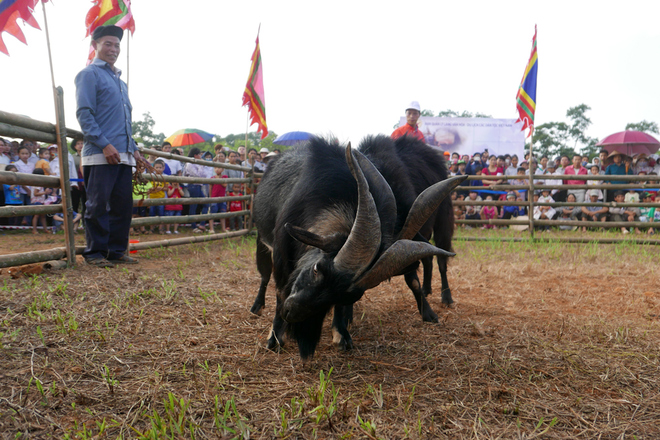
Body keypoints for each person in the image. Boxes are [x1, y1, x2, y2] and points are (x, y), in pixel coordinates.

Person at [75, 25, 140, 267]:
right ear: (95, 46)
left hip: (124, 154)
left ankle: (115, 251)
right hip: (100, 153)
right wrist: (104, 144)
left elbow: (125, 122)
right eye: (108, 44)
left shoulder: (121, 82)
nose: (113, 49)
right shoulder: (88, 74)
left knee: (123, 205)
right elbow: (84, 114)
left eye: (117, 45)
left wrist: (133, 147)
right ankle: (94, 253)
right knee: (97, 205)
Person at [182, 147, 209, 233]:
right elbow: (197, 175)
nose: (201, 156)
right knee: (194, 206)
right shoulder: (189, 164)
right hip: (193, 185)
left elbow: (204, 175)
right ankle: (194, 226)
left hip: (198, 185)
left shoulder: (198, 163)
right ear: (195, 155)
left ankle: (202, 224)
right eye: (199, 154)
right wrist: (201, 166)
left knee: (205, 204)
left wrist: (201, 166)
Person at [147, 160, 167, 234]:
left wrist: (159, 188)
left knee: (161, 214)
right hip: (152, 198)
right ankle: (151, 229)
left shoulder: (165, 177)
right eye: (157, 167)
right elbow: (149, 188)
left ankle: (160, 229)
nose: (158, 169)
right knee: (151, 214)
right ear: (153, 168)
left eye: (160, 167)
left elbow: (166, 188)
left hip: (161, 198)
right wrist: (156, 188)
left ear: (163, 168)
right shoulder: (151, 177)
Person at [208, 165, 228, 233]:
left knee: (222, 214)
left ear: (222, 169)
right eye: (215, 168)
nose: (217, 169)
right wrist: (210, 197)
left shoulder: (225, 177)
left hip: (222, 198)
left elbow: (224, 185)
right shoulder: (212, 178)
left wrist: (218, 179)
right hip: (214, 198)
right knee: (212, 213)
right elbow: (210, 188)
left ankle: (223, 228)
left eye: (219, 168)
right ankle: (211, 229)